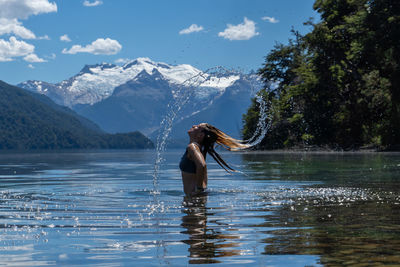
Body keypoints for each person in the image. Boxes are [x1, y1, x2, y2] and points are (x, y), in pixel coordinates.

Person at [179, 123, 249, 196]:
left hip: (194, 197)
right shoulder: (200, 150)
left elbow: (202, 165)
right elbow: (203, 170)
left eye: (197, 127)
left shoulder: (192, 147)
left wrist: (199, 189)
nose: (193, 126)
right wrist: (201, 190)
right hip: (198, 196)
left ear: (201, 135)